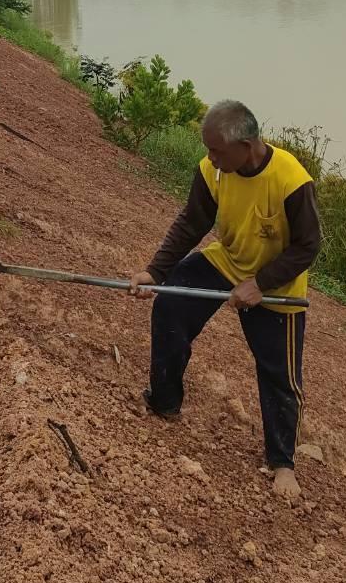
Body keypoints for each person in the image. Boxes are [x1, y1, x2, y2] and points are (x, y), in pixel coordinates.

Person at [130, 99, 321, 501]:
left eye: (217, 150)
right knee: (169, 305)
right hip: (229, 260)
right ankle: (164, 401)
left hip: (278, 287)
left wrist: (262, 283)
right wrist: (156, 272)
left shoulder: (291, 180)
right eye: (208, 149)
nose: (210, 157)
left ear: (247, 145)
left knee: (279, 376)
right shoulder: (212, 171)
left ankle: (282, 462)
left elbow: (308, 245)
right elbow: (193, 222)